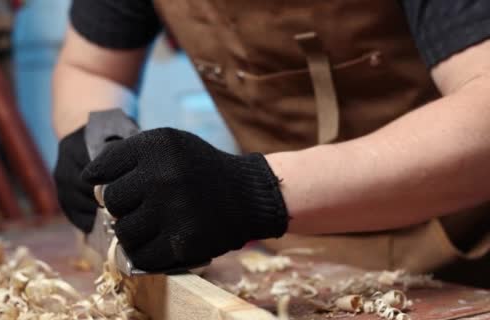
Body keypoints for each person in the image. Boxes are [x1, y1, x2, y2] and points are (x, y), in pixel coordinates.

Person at [52, 0, 490, 286]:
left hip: (469, 260)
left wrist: (251, 192)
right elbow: (92, 70)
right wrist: (92, 132)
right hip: (297, 271)